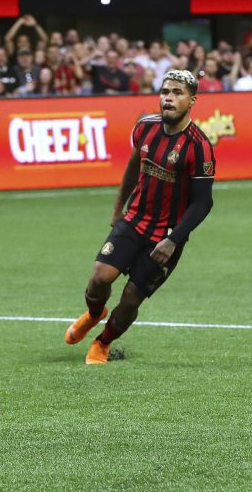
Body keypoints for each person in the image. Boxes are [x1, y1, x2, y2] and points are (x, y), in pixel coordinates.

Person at [64, 70, 215, 364]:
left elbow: (203, 202)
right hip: (134, 220)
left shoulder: (199, 146)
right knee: (99, 278)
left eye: (177, 93)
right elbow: (134, 166)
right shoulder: (145, 128)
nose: (168, 98)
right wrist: (118, 208)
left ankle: (102, 343)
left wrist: (173, 240)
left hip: (167, 235)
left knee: (132, 297)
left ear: (192, 100)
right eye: (165, 91)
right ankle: (94, 314)